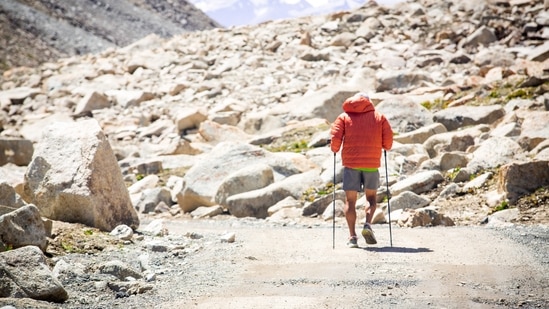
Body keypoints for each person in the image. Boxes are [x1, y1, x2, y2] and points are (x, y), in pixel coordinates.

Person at [330, 92, 393, 248]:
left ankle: (352, 237)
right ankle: (367, 225)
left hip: (351, 165)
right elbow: (388, 143)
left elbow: (335, 138)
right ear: (369, 102)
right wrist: (384, 146)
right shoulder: (379, 117)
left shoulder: (344, 117)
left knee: (350, 201)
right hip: (371, 165)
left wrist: (334, 149)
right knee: (371, 199)